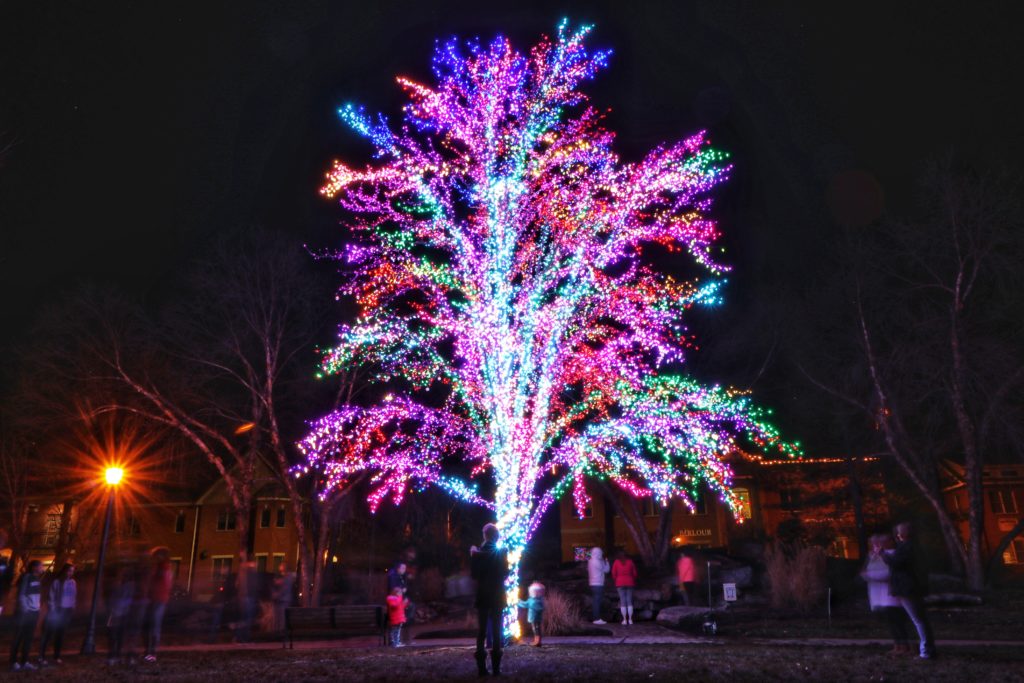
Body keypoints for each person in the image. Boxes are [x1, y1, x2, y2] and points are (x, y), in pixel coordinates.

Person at [882, 522, 936, 660]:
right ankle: (926, 649)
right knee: (919, 619)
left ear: (903, 534)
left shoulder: (907, 547)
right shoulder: (914, 546)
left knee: (918, 619)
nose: (897, 535)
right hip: (912, 586)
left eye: (899, 532)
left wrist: (883, 554)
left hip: (907, 587)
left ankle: (926, 651)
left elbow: (896, 562)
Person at [861, 533, 910, 656]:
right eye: (872, 543)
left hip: (890, 595)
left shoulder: (891, 555)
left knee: (897, 622)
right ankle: (897, 645)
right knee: (891, 623)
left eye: (877, 543)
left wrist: (869, 575)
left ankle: (904, 646)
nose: (875, 545)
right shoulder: (873, 556)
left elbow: (888, 573)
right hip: (880, 596)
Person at [470, 523, 508, 677]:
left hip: (483, 595)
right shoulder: (501, 553)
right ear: (496, 535)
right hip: (497, 594)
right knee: (497, 630)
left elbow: (474, 575)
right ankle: (496, 669)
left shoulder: (477, 554)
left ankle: (481, 668)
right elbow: (505, 573)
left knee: (482, 631)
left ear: (484, 535)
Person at [39, 562, 76, 665]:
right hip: (57, 610)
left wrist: (72, 607)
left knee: (60, 634)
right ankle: (41, 656)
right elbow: (51, 596)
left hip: (67, 610)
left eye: (72, 571)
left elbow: (73, 595)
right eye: (69, 571)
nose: (70, 573)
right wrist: (53, 609)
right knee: (49, 633)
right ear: (64, 571)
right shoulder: (57, 582)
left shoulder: (73, 582)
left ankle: (57, 656)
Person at [10, 560, 43, 672]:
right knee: (18, 637)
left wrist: (37, 608)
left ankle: (25, 661)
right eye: (40, 566)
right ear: (34, 567)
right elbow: (22, 594)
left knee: (28, 638)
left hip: (34, 612)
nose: (42, 568)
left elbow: (37, 596)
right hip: (25, 613)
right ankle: (13, 662)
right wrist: (25, 609)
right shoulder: (26, 577)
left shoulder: (37, 579)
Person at [143, 547, 174, 662]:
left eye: (155, 556)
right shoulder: (162, 568)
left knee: (153, 625)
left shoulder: (162, 568)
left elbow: (159, 582)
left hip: (157, 599)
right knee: (153, 626)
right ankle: (150, 652)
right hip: (157, 599)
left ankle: (151, 652)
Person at [107, 564, 137, 665]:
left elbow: (128, 599)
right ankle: (115, 655)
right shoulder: (120, 585)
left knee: (117, 635)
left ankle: (115, 655)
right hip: (118, 612)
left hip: (121, 613)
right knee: (116, 635)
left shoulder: (128, 586)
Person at [611, 550, 638, 625]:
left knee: (622, 601)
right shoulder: (630, 562)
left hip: (619, 583)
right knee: (629, 600)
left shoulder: (616, 562)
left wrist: (616, 579)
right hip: (630, 582)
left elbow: (613, 573)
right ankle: (630, 619)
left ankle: (624, 619)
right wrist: (632, 579)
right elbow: (635, 573)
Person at [517, 581, 545, 646]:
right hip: (538, 617)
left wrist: (518, 601)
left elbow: (525, 604)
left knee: (535, 628)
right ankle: (538, 641)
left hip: (533, 617)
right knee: (537, 628)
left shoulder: (532, 600)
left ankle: (537, 641)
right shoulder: (541, 600)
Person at [587, 547, 609, 624]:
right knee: (597, 602)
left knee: (595, 601)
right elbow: (606, 570)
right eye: (600, 553)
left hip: (592, 583)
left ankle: (595, 618)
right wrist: (606, 561)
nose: (601, 554)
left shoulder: (590, 561)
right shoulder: (597, 562)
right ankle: (596, 619)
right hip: (598, 584)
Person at [272, 562, 296, 634]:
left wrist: (275, 595)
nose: (280, 567)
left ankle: (280, 633)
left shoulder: (287, 578)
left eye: (281, 566)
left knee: (281, 618)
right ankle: (279, 632)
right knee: (281, 618)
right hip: (284, 600)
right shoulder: (287, 577)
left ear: (285, 568)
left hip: (283, 600)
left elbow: (283, 590)